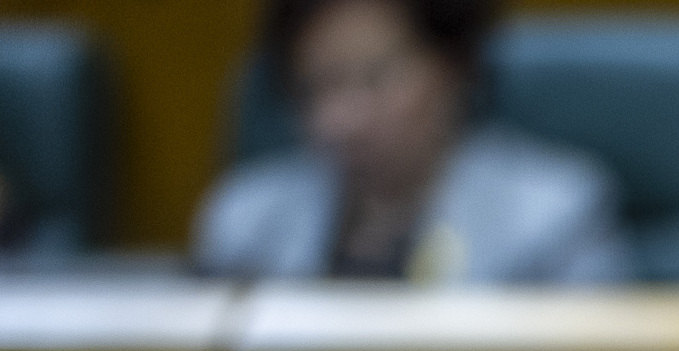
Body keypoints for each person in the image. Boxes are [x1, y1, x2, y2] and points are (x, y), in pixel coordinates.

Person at [194, 0, 631, 285]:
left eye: (376, 79)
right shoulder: (246, 221)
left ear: (453, 67)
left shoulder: (554, 217)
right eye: (318, 87)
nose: (344, 119)